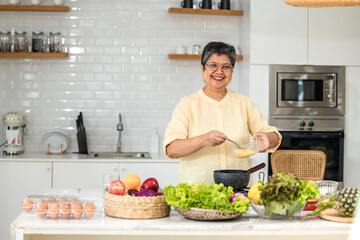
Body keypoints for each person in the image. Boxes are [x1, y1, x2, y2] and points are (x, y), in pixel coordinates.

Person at [163, 41, 282, 184]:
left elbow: (273, 135)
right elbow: (172, 149)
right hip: (198, 190)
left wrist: (268, 138)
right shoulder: (187, 104)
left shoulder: (243, 103)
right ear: (203, 69)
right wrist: (203, 139)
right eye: (213, 65)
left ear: (232, 72)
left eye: (226, 67)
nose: (219, 71)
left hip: (237, 190)